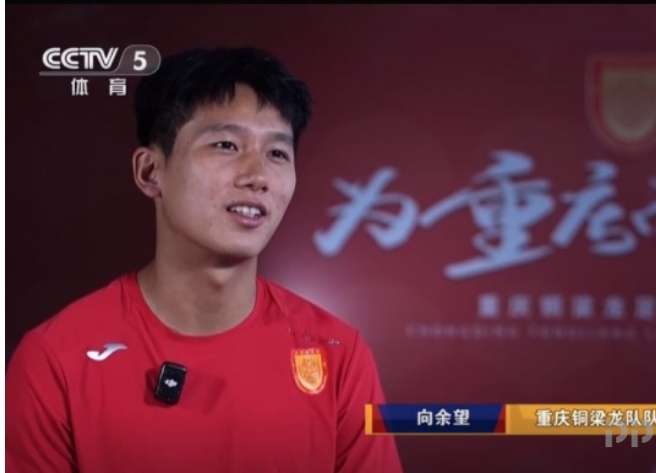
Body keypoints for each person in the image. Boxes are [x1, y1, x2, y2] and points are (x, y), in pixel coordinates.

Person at [6, 47, 404, 473]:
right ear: (149, 171)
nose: (258, 176)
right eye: (226, 145)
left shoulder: (338, 354)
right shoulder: (55, 359)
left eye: (277, 153)